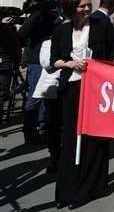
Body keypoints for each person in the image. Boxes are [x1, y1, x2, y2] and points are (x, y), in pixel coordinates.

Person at [50, 0, 114, 209]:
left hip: (96, 88)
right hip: (71, 87)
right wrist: (69, 64)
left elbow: (113, 50)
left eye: (89, 5)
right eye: (82, 6)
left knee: (95, 137)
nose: (87, 9)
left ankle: (93, 187)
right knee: (71, 138)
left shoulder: (102, 25)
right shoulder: (61, 30)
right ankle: (68, 190)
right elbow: (54, 60)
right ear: (72, 8)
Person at [19, 0, 62, 144]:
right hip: (37, 60)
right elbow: (22, 33)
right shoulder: (38, 16)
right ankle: (30, 130)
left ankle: (42, 127)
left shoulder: (55, 17)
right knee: (36, 95)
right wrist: (39, 12)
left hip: (52, 60)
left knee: (48, 95)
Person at [33, 39, 62, 174]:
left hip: (71, 87)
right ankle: (54, 157)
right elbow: (46, 63)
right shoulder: (48, 43)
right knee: (53, 125)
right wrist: (67, 63)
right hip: (52, 89)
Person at [0, 17, 22, 122]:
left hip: (5, 64)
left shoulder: (10, 33)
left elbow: (17, 48)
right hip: (6, 64)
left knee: (2, 92)